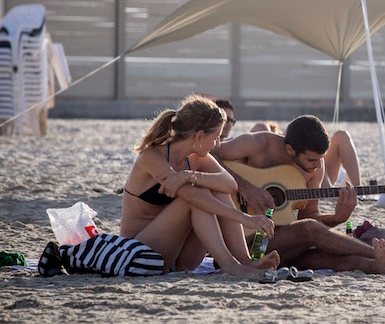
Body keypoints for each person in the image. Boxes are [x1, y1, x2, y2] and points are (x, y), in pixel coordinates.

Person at [213, 114, 385, 273]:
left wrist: (339, 217)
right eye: (311, 159)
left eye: (321, 158)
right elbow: (209, 155)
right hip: (238, 239)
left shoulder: (315, 168)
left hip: (276, 243)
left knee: (317, 257)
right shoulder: (259, 143)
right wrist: (245, 187)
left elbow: (308, 218)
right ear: (290, 149)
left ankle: (377, 265)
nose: (317, 165)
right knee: (310, 232)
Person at [119, 94, 280, 277]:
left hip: (176, 258)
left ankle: (244, 261)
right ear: (199, 136)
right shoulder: (151, 157)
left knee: (211, 188)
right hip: (138, 254)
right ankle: (230, 265)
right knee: (197, 197)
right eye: (216, 137)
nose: (218, 144)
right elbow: (191, 197)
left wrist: (190, 175)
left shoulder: (196, 159)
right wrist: (246, 219)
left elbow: (230, 185)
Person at [248, 119, 362, 187]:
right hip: (283, 180)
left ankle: (359, 190)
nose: (272, 135)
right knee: (261, 126)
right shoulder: (265, 145)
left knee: (342, 135)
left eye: (274, 132)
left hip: (316, 174)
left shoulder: (291, 139)